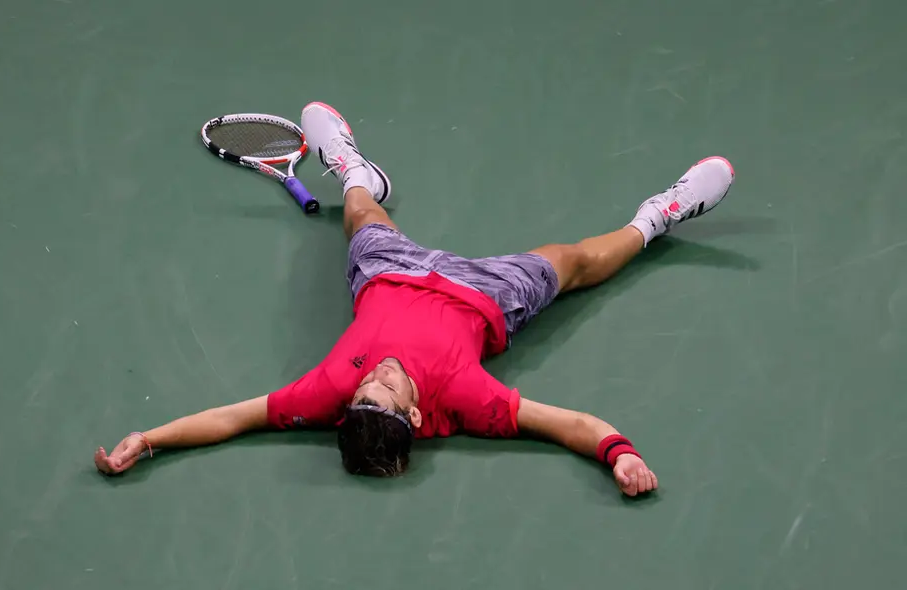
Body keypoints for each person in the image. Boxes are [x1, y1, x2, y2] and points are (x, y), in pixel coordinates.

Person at [94, 101, 735, 497]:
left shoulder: (326, 396)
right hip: (485, 295)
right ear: (420, 418)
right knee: (574, 262)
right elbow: (571, 426)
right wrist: (620, 456)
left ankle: (351, 168)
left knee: (359, 212)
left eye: (363, 391)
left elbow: (231, 418)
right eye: (386, 391)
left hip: (390, 271)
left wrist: (148, 438)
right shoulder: (468, 403)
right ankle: (662, 214)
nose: (374, 377)